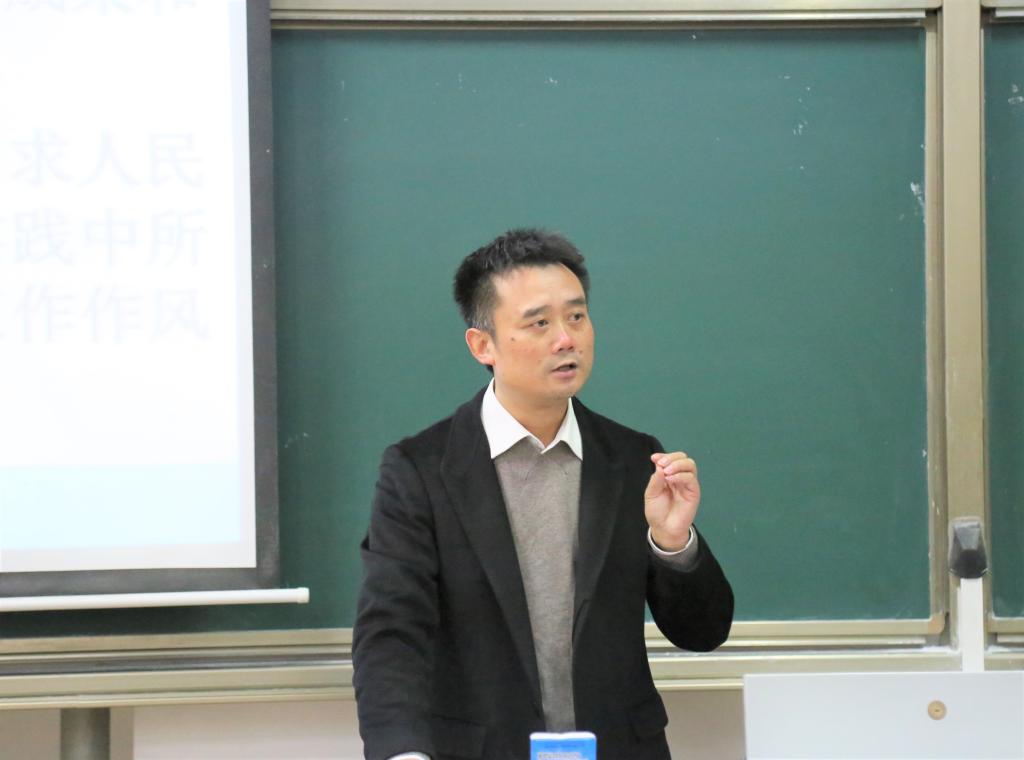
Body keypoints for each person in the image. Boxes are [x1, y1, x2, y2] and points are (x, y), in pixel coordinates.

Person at [352, 229, 733, 760]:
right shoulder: (420, 471)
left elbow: (702, 632)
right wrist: (402, 753)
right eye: (539, 323)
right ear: (482, 345)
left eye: (576, 317)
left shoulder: (632, 459)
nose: (566, 339)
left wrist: (673, 544)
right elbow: (391, 631)